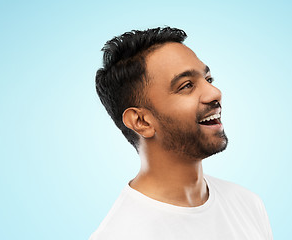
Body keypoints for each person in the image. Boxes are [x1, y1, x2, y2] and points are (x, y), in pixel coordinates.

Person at [90, 27, 273, 240]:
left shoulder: (247, 204)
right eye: (186, 85)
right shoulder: (120, 234)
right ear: (141, 121)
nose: (215, 93)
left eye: (209, 79)